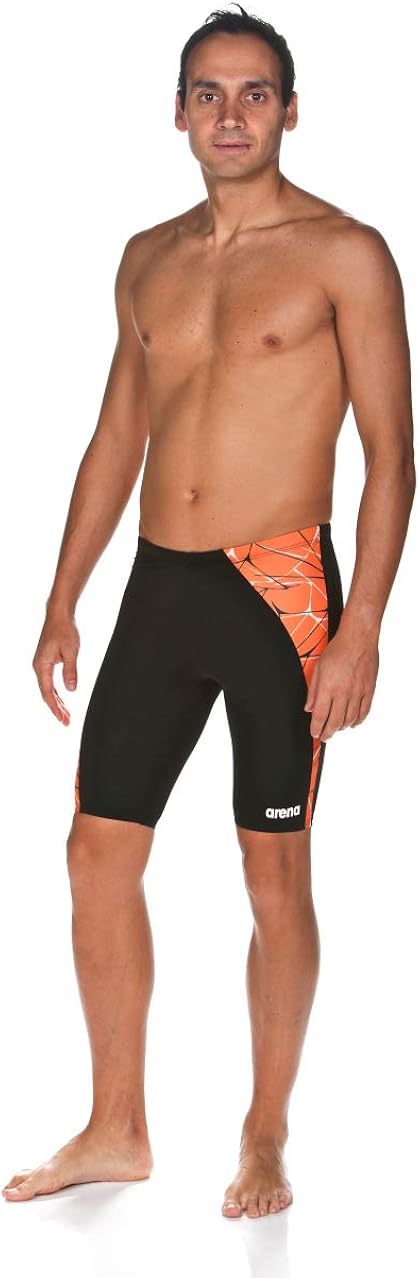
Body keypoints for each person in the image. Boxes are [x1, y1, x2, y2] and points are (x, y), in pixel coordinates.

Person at [3, 4, 415, 1216]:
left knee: (271, 867)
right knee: (93, 853)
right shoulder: (147, 255)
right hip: (157, 583)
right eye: (207, 92)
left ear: (289, 110)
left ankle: (264, 1133)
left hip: (278, 589)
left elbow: (391, 456)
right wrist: (61, 595)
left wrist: (360, 626)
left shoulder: (345, 252)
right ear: (177, 110)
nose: (229, 114)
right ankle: (116, 1126)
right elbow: (116, 434)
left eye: (252, 93)